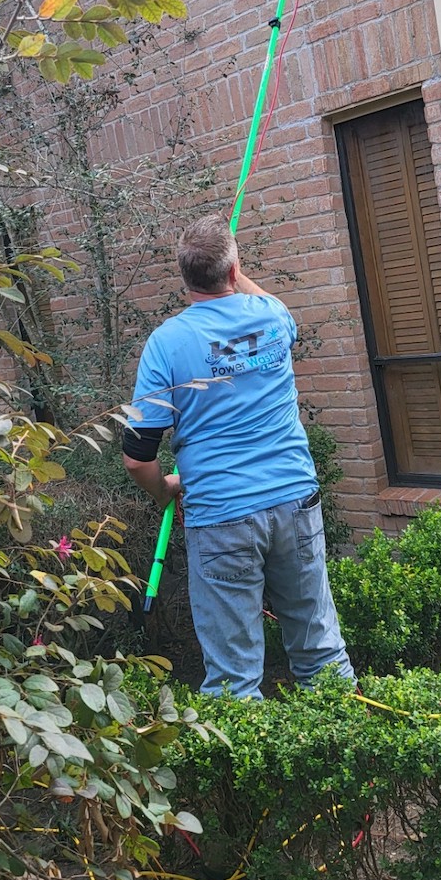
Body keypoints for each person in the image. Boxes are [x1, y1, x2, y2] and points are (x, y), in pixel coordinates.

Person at [122, 213, 355, 700]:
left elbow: (138, 457)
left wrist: (165, 490)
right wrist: (232, 264)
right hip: (295, 502)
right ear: (234, 270)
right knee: (320, 652)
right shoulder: (272, 318)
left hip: (221, 516)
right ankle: (346, 760)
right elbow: (255, 294)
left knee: (233, 678)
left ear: (184, 277)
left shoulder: (166, 344)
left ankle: (248, 776)